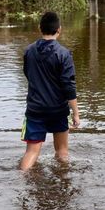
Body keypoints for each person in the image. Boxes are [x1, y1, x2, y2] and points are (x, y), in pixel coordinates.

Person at [20, 11, 80, 170]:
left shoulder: (29, 51)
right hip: (58, 110)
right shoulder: (64, 54)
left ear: (40, 28)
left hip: (35, 109)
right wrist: (75, 113)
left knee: (32, 152)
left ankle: (20, 179)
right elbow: (69, 85)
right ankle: (63, 181)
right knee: (62, 151)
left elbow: (28, 75)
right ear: (59, 29)